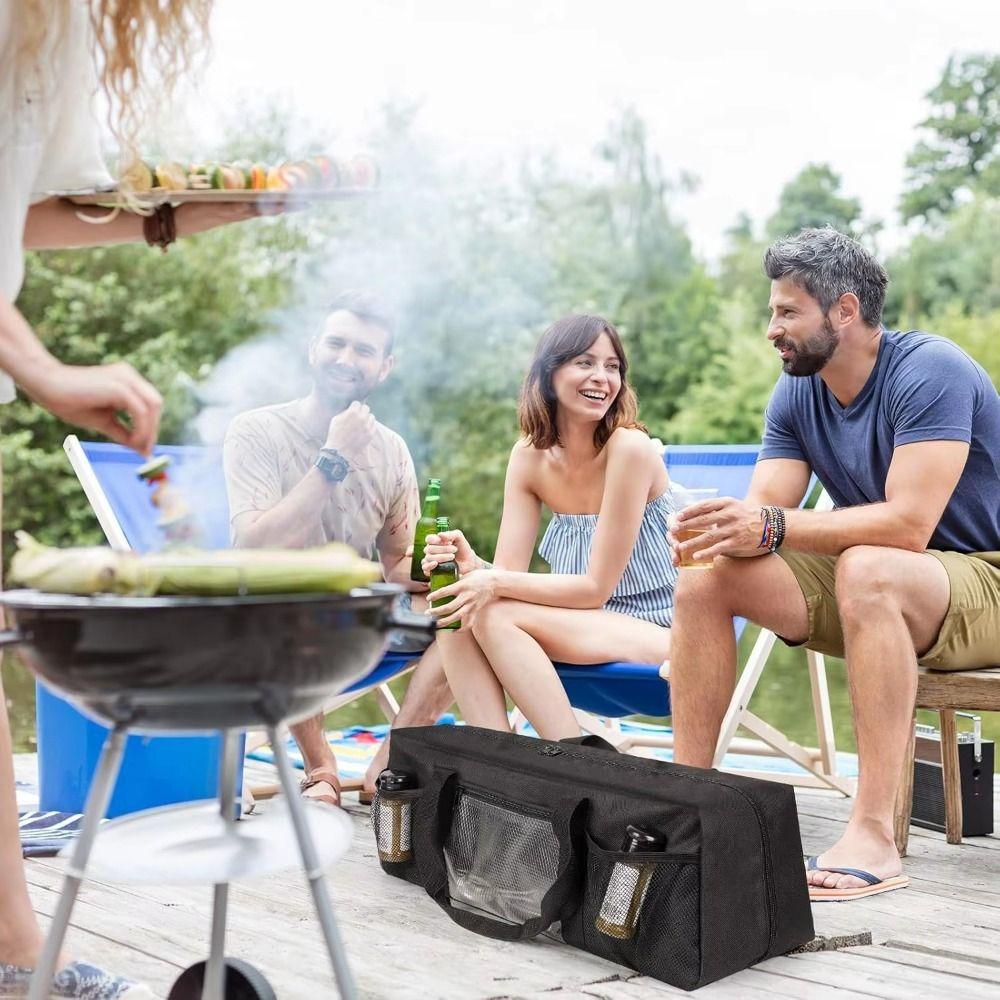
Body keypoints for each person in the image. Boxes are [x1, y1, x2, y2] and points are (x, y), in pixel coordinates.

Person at [1, 2, 287, 995]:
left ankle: (15, 958)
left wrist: (182, 214)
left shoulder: (49, 31)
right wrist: (44, 368)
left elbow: (18, 214)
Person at [667, 227, 1000, 902]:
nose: (772, 329)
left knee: (870, 566)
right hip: (888, 588)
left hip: (984, 579)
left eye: (787, 312)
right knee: (708, 577)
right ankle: (688, 807)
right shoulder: (798, 392)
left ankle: (873, 832)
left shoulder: (931, 371)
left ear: (844, 310)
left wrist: (769, 525)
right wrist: (721, 531)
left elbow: (908, 525)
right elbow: (766, 515)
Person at [223, 292, 454, 806]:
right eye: (336, 343)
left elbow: (396, 563)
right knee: (287, 597)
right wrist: (335, 455)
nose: (346, 359)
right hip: (278, 614)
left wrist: (441, 564)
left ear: (385, 367)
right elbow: (255, 548)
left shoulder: (391, 449)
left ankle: (391, 763)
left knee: (468, 611)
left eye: (364, 350)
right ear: (313, 348)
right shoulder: (256, 431)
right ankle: (321, 767)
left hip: (363, 612)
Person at [421, 314, 674, 740]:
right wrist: (473, 568)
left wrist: (490, 580)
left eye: (612, 366)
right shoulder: (528, 456)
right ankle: (497, 759)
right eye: (585, 362)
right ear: (548, 373)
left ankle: (570, 756)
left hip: (660, 630)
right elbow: (507, 576)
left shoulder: (628, 449)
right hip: (580, 624)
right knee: (457, 608)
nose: (602, 377)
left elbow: (594, 589)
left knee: (494, 615)